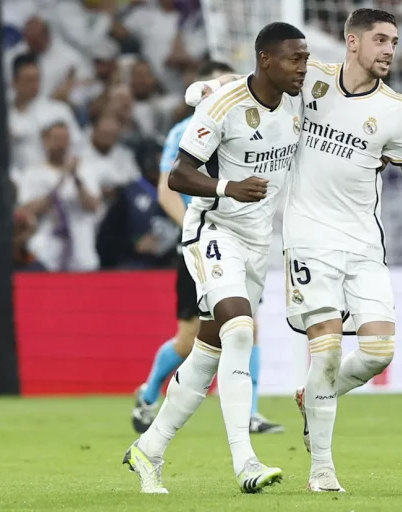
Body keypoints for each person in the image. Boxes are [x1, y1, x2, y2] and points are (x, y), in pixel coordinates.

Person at [186, 7, 402, 494]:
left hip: (365, 243)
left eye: (394, 41)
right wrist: (206, 90)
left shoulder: (399, 111)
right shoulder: (310, 80)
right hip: (307, 237)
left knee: (377, 352)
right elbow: (250, 81)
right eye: (381, 40)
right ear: (353, 42)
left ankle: (311, 395)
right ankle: (322, 471)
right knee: (325, 349)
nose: (390, 49)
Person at [122, 22, 308, 494]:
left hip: (256, 243)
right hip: (213, 230)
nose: (302, 69)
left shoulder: (298, 100)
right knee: (240, 331)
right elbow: (179, 176)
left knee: (208, 353)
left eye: (306, 60)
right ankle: (245, 461)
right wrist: (229, 188)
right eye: (294, 60)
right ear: (265, 59)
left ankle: (150, 447)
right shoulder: (221, 108)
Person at [130, 61, 284, 437]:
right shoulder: (185, 130)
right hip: (200, 239)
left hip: (241, 239)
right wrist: (189, 228)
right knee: (190, 338)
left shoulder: (252, 126)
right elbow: (169, 185)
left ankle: (250, 413)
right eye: (225, 84)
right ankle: (149, 394)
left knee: (248, 326)